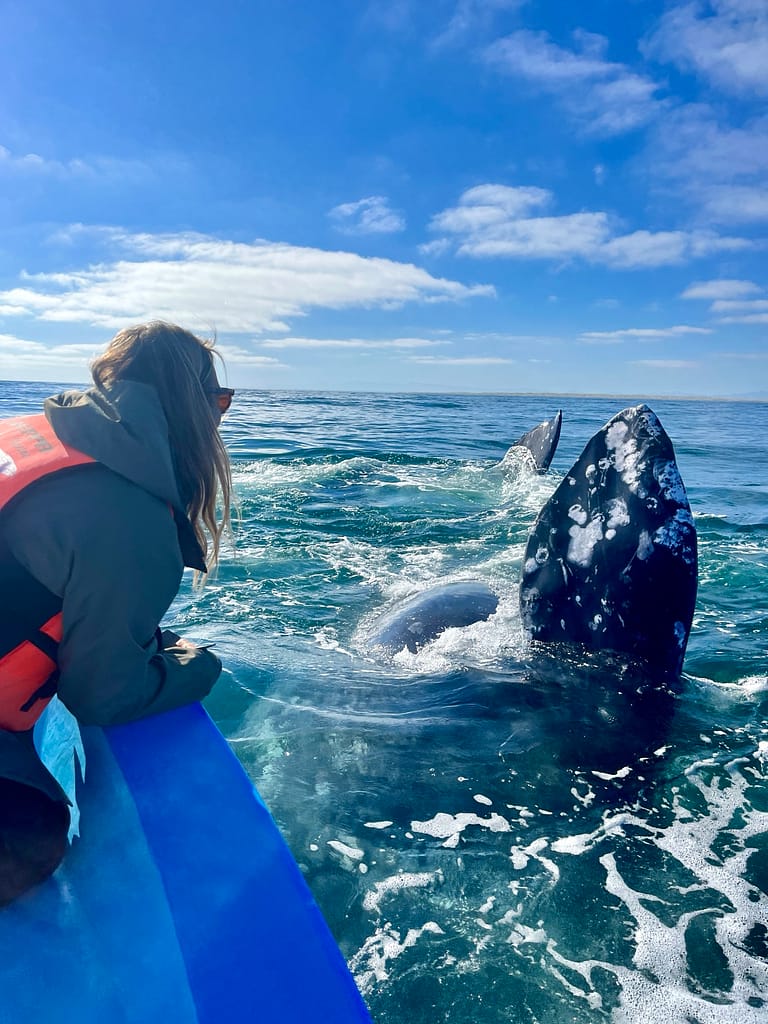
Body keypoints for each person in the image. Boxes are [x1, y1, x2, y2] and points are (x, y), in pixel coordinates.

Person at [0, 321, 234, 905]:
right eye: (220, 405)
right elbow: (103, 697)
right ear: (193, 410)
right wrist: (200, 666)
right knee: (31, 836)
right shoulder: (131, 515)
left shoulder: (22, 434)